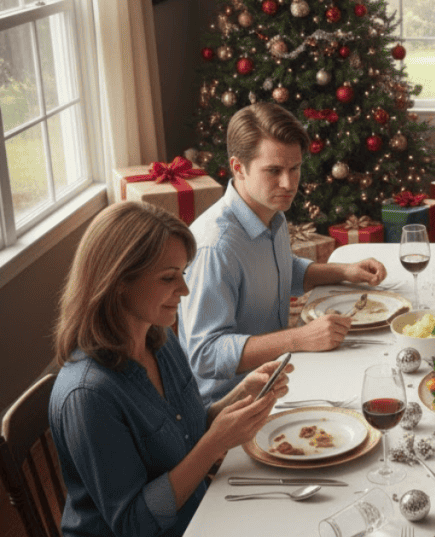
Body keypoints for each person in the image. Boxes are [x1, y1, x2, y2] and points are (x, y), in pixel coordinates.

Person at [50, 201, 292, 537]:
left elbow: (185, 433)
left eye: (183, 274)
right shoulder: (89, 395)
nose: (185, 290)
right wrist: (214, 443)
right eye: (169, 278)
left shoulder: (160, 340)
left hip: (199, 514)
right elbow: (133, 524)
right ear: (118, 281)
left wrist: (242, 393)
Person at [178, 102, 387, 404]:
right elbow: (205, 355)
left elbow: (277, 270)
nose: (289, 184)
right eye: (274, 171)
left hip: (278, 377)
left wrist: (344, 271)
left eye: (295, 168)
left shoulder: (270, 212)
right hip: (232, 406)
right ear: (238, 168)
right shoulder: (216, 247)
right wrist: (300, 339)